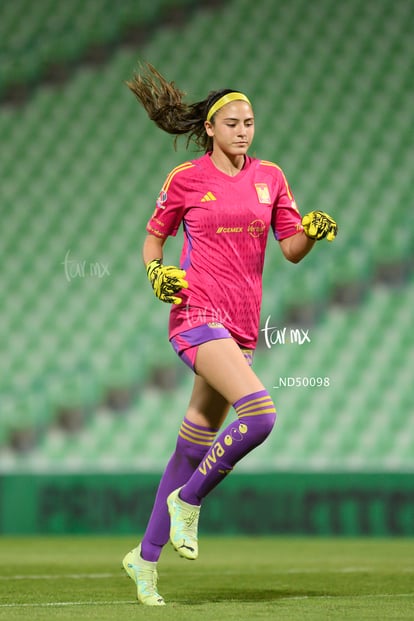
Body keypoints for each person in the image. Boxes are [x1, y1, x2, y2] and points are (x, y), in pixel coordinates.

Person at [122, 62, 338, 606]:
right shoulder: (187, 180)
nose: (244, 129)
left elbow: (289, 250)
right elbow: (153, 242)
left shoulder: (271, 178)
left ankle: (144, 561)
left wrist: (308, 231)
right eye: (233, 121)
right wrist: (157, 273)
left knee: (190, 445)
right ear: (211, 130)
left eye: (250, 121)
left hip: (241, 326)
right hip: (196, 314)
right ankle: (189, 503)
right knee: (260, 414)